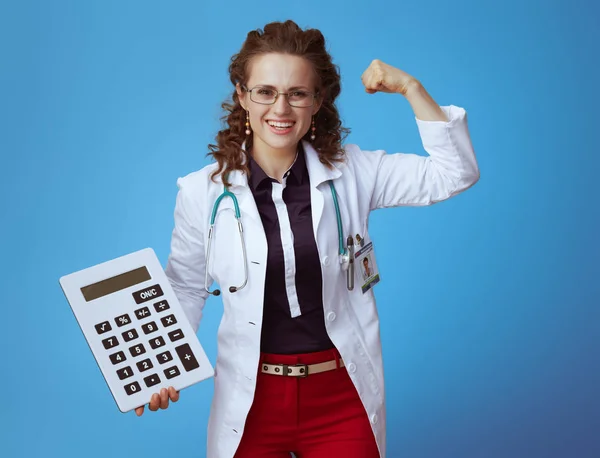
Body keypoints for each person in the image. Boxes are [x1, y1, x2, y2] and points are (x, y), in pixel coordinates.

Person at [135, 20, 479, 458]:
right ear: (242, 96)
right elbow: (185, 286)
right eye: (265, 91)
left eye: (297, 93)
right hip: (252, 396)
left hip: (340, 395)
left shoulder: (353, 172)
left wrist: (411, 87)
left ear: (317, 102)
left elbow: (455, 173)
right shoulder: (202, 192)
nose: (281, 108)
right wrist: (163, 368)